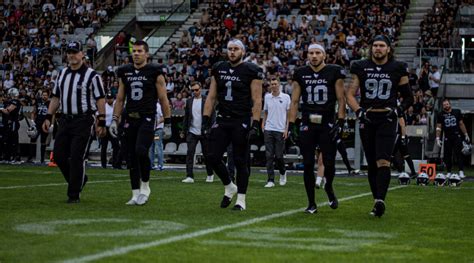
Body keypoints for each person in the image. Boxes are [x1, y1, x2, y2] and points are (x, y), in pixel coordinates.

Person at [346, 35, 414, 217]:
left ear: (388, 49)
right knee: (372, 163)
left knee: (383, 160)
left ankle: (380, 200)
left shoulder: (398, 68)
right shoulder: (361, 66)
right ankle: (376, 200)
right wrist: (359, 111)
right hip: (368, 118)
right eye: (375, 45)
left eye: (382, 45)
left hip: (387, 118)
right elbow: (350, 94)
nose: (378, 48)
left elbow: (409, 97)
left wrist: (397, 110)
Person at [42, 41, 107, 203]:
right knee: (58, 155)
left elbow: (100, 99)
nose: (71, 55)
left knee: (77, 156)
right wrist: (48, 116)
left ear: (82, 54)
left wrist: (101, 120)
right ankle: (79, 180)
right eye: (69, 52)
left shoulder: (92, 76)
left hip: (83, 119)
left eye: (75, 52)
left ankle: (73, 194)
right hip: (65, 119)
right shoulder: (62, 73)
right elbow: (56, 97)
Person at [202, 39, 263, 211]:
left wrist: (256, 123)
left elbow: (257, 99)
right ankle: (229, 185)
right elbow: (212, 96)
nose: (232, 52)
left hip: (240, 119)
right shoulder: (219, 68)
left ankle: (241, 199)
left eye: (236, 49)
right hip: (222, 118)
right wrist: (206, 118)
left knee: (240, 160)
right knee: (211, 156)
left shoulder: (251, 70)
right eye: (229, 49)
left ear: (242, 52)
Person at [109, 40, 172, 206]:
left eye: (139, 51)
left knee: (141, 151)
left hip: (147, 117)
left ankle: (145, 185)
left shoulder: (154, 71)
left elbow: (163, 98)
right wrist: (115, 120)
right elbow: (120, 98)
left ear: (146, 53)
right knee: (130, 156)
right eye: (134, 51)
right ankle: (135, 193)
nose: (136, 53)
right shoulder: (125, 71)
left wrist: (167, 122)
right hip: (130, 117)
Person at [288, 43, 346, 214]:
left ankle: (328, 186)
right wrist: (291, 125)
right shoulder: (300, 73)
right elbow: (295, 101)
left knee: (328, 163)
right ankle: (311, 203)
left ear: (324, 55)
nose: (314, 56)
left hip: (327, 122)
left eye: (317, 53)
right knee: (307, 164)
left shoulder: (334, 71)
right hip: (307, 123)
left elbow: (341, 99)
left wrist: (341, 121)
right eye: (311, 53)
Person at [181, 81, 215, 183]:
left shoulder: (207, 100)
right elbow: (186, 117)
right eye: (192, 90)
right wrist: (183, 130)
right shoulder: (189, 101)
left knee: (207, 155)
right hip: (192, 131)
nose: (195, 92)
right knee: (190, 153)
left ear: (200, 89)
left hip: (204, 131)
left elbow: (212, 116)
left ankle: (210, 174)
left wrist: (210, 130)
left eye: (196, 90)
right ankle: (189, 176)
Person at [262, 76, 290, 187]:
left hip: (280, 129)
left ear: (279, 85)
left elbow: (288, 115)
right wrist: (263, 123)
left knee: (279, 156)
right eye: (272, 84)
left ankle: (283, 172)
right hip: (269, 128)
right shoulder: (267, 97)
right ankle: (270, 180)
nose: (274, 86)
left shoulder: (286, 97)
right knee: (269, 156)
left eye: (275, 84)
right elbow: (266, 112)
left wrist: (287, 129)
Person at [436, 99, 470, 179]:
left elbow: (461, 124)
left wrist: (466, 134)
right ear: (443, 106)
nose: (446, 106)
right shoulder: (440, 114)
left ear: (450, 104)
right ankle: (448, 172)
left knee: (459, 154)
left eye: (447, 104)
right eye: (444, 105)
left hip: (456, 136)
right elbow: (438, 127)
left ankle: (461, 171)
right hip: (447, 137)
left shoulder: (457, 111)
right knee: (447, 155)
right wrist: (437, 138)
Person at [29, 90, 50, 164]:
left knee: (43, 141)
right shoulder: (38, 101)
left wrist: (52, 124)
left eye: (45, 95)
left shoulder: (50, 103)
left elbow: (53, 114)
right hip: (37, 123)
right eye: (43, 95)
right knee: (32, 139)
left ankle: (42, 159)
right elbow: (33, 112)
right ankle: (30, 158)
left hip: (45, 124)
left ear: (48, 96)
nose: (44, 96)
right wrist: (32, 121)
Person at [1, 88, 21, 163]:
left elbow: (7, 111)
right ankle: (7, 157)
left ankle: (15, 157)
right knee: (7, 140)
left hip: (13, 122)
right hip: (8, 123)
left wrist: (1, 109)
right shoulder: (8, 101)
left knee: (13, 140)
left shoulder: (15, 101)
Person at [101, 94, 120, 169]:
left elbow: (119, 116)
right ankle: (103, 164)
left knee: (116, 146)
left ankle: (115, 163)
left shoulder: (116, 106)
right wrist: (101, 127)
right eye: (108, 98)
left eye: (111, 98)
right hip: (105, 127)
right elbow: (99, 116)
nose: (109, 100)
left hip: (113, 128)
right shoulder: (104, 106)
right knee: (104, 147)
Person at [149, 101, 164, 171]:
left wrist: (156, 123)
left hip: (157, 130)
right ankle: (151, 165)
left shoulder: (158, 106)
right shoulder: (149, 105)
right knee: (150, 147)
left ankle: (160, 165)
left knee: (158, 146)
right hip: (151, 130)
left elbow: (163, 117)